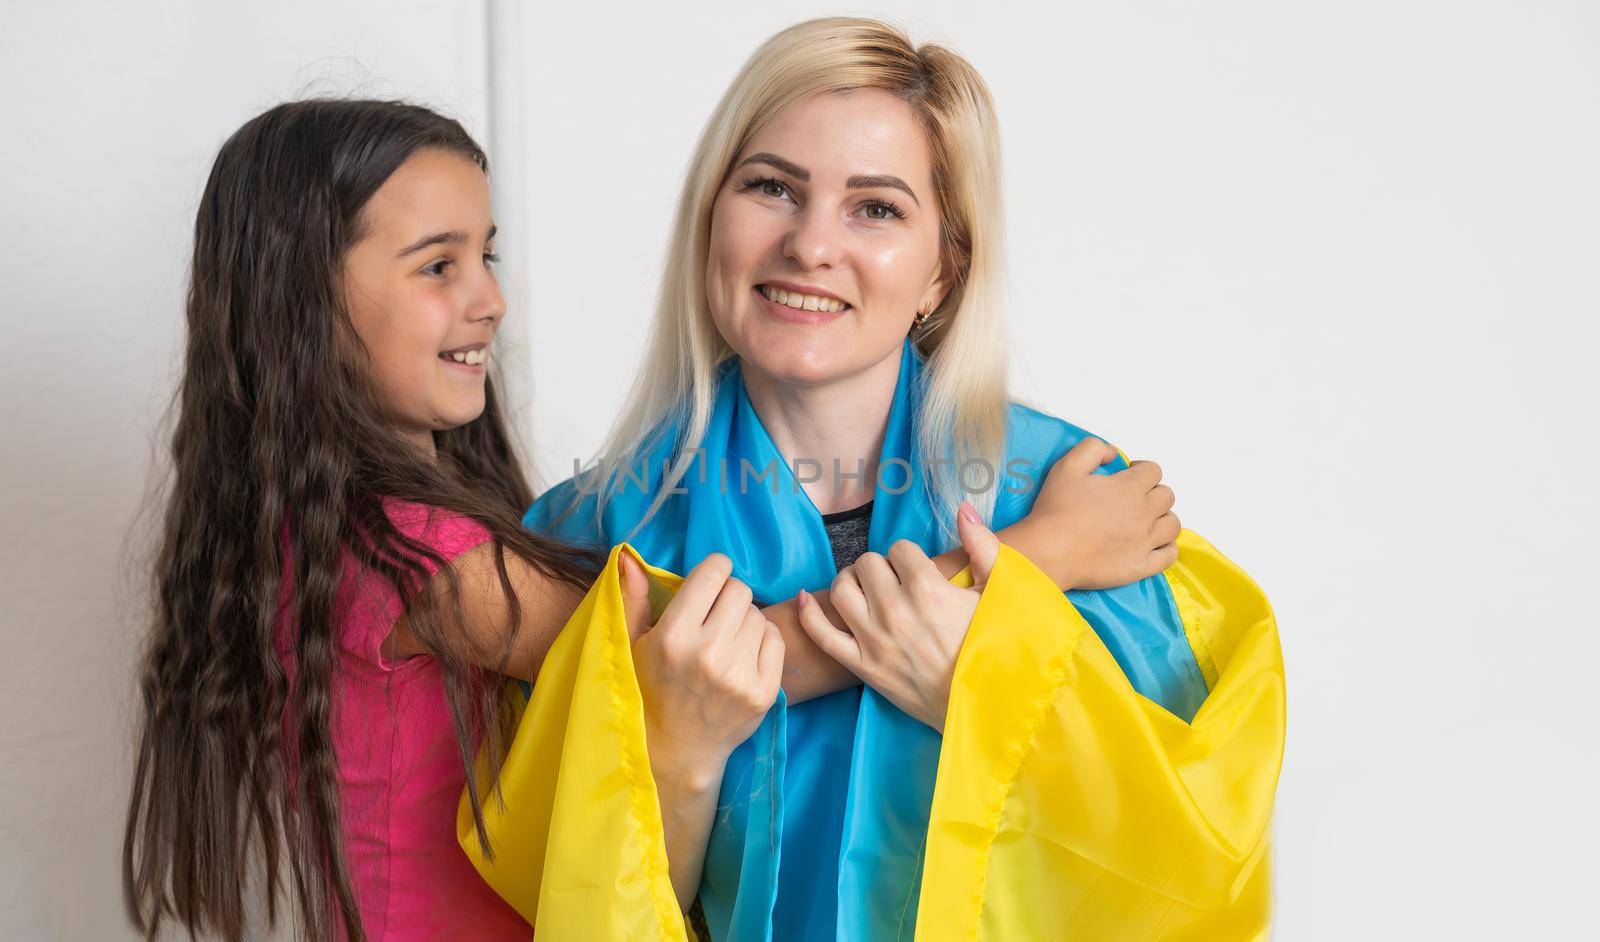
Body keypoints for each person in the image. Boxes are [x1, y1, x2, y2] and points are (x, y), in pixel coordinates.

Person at [121, 96, 1158, 942]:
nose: (488, 300)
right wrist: (1041, 556)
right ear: (299, 302)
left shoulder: (391, 532)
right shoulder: (424, 561)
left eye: (487, 256)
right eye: (437, 266)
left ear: (945, 265)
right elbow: (709, 657)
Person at [470, 15, 1284, 942]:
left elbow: (1184, 882)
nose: (812, 246)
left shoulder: (1079, 502)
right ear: (711, 219)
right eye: (772, 188)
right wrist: (675, 757)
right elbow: (572, 907)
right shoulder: (595, 533)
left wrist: (998, 699)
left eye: (877, 207)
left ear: (946, 269)